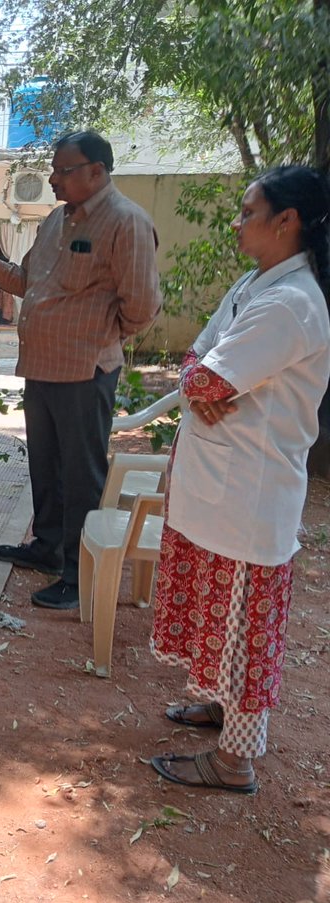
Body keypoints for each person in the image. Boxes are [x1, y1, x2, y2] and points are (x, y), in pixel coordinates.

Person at [149, 166, 330, 795]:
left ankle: (235, 763)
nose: (237, 222)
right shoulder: (254, 285)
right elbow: (197, 361)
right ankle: (221, 709)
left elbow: (202, 379)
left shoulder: (292, 305)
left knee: (245, 628)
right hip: (220, 489)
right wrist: (202, 378)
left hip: (249, 497)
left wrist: (202, 379)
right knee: (220, 619)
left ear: (288, 222)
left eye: (248, 212)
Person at [0, 130, 162, 610]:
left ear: (97, 172)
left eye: (63, 170)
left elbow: (142, 306)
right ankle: (46, 547)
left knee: (81, 472)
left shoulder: (126, 223)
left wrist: (98, 338)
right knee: (45, 463)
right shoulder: (54, 222)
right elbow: (25, 281)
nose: (53, 179)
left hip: (85, 372)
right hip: (41, 368)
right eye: (54, 169)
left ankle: (79, 572)